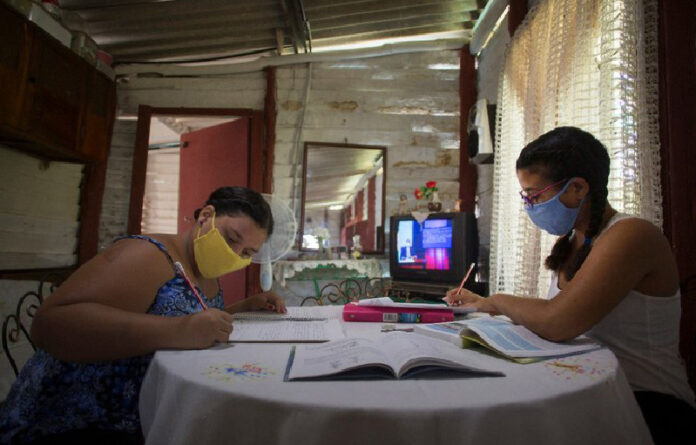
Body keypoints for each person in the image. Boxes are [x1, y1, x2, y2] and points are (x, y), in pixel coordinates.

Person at [444, 127, 695, 444]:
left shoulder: (631, 235)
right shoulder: (574, 239)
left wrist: (495, 301)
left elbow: (558, 321)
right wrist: (479, 303)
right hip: (590, 390)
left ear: (577, 188)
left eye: (535, 195)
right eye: (526, 196)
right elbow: (555, 313)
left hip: (647, 403)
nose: (529, 205)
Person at [0, 186, 286, 445]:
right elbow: (50, 325)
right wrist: (179, 331)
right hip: (73, 422)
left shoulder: (206, 271)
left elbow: (189, 317)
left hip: (144, 415)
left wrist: (242, 308)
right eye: (231, 238)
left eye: (247, 252)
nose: (235, 253)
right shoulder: (147, 255)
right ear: (206, 217)